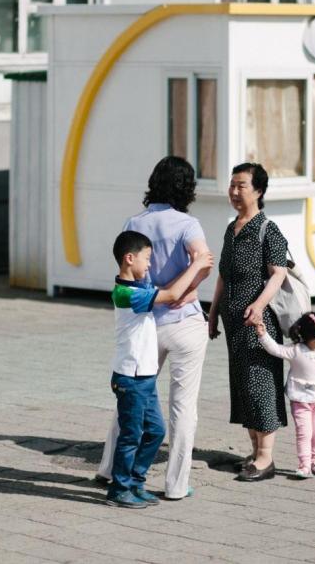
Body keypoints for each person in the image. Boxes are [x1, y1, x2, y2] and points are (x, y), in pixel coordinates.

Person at [97, 157, 213, 500]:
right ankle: (176, 484)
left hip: (148, 326)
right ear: (188, 188)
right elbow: (203, 261)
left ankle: (108, 468)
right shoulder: (188, 224)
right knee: (183, 406)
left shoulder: (135, 222)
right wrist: (187, 289)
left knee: (131, 404)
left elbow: (128, 263)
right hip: (184, 321)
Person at [208, 162, 289, 482]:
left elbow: (278, 273)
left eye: (241, 185)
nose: (234, 191)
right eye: (232, 185)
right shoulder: (232, 228)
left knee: (260, 383)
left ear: (259, 191)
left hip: (259, 323)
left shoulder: (268, 229)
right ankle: (255, 450)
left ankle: (267, 458)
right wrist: (213, 312)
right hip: (233, 321)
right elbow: (223, 276)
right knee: (242, 382)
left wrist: (257, 306)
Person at [255, 312, 315, 479]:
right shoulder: (296, 350)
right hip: (301, 401)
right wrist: (263, 335)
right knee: (304, 433)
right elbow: (275, 349)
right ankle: (304, 464)